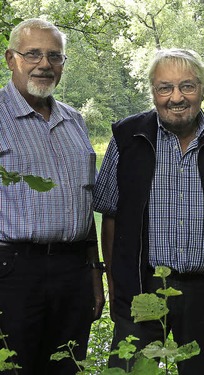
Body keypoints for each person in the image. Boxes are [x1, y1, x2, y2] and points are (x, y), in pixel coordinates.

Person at [93, 48, 204, 374]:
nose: (176, 97)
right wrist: (114, 285)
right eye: (165, 88)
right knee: (132, 370)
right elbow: (110, 217)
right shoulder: (127, 139)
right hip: (143, 289)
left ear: (202, 89)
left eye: (187, 86)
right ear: (153, 92)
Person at [0, 18, 104, 374]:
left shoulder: (74, 121)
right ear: (10, 58)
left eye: (54, 56)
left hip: (73, 272)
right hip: (12, 272)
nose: (45, 64)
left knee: (68, 366)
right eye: (33, 54)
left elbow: (86, 204)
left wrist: (94, 272)